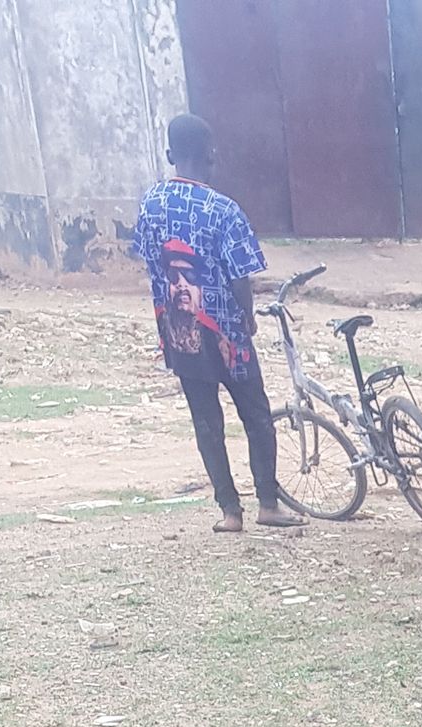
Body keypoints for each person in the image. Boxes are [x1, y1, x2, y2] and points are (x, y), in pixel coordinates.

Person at [131, 114, 295, 534]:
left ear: (170, 154)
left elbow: (148, 260)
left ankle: (229, 512)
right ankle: (268, 503)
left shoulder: (150, 203)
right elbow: (240, 276)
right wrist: (246, 317)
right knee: (256, 415)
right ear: (212, 155)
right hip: (228, 335)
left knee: (206, 422)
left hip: (179, 333)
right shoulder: (223, 210)